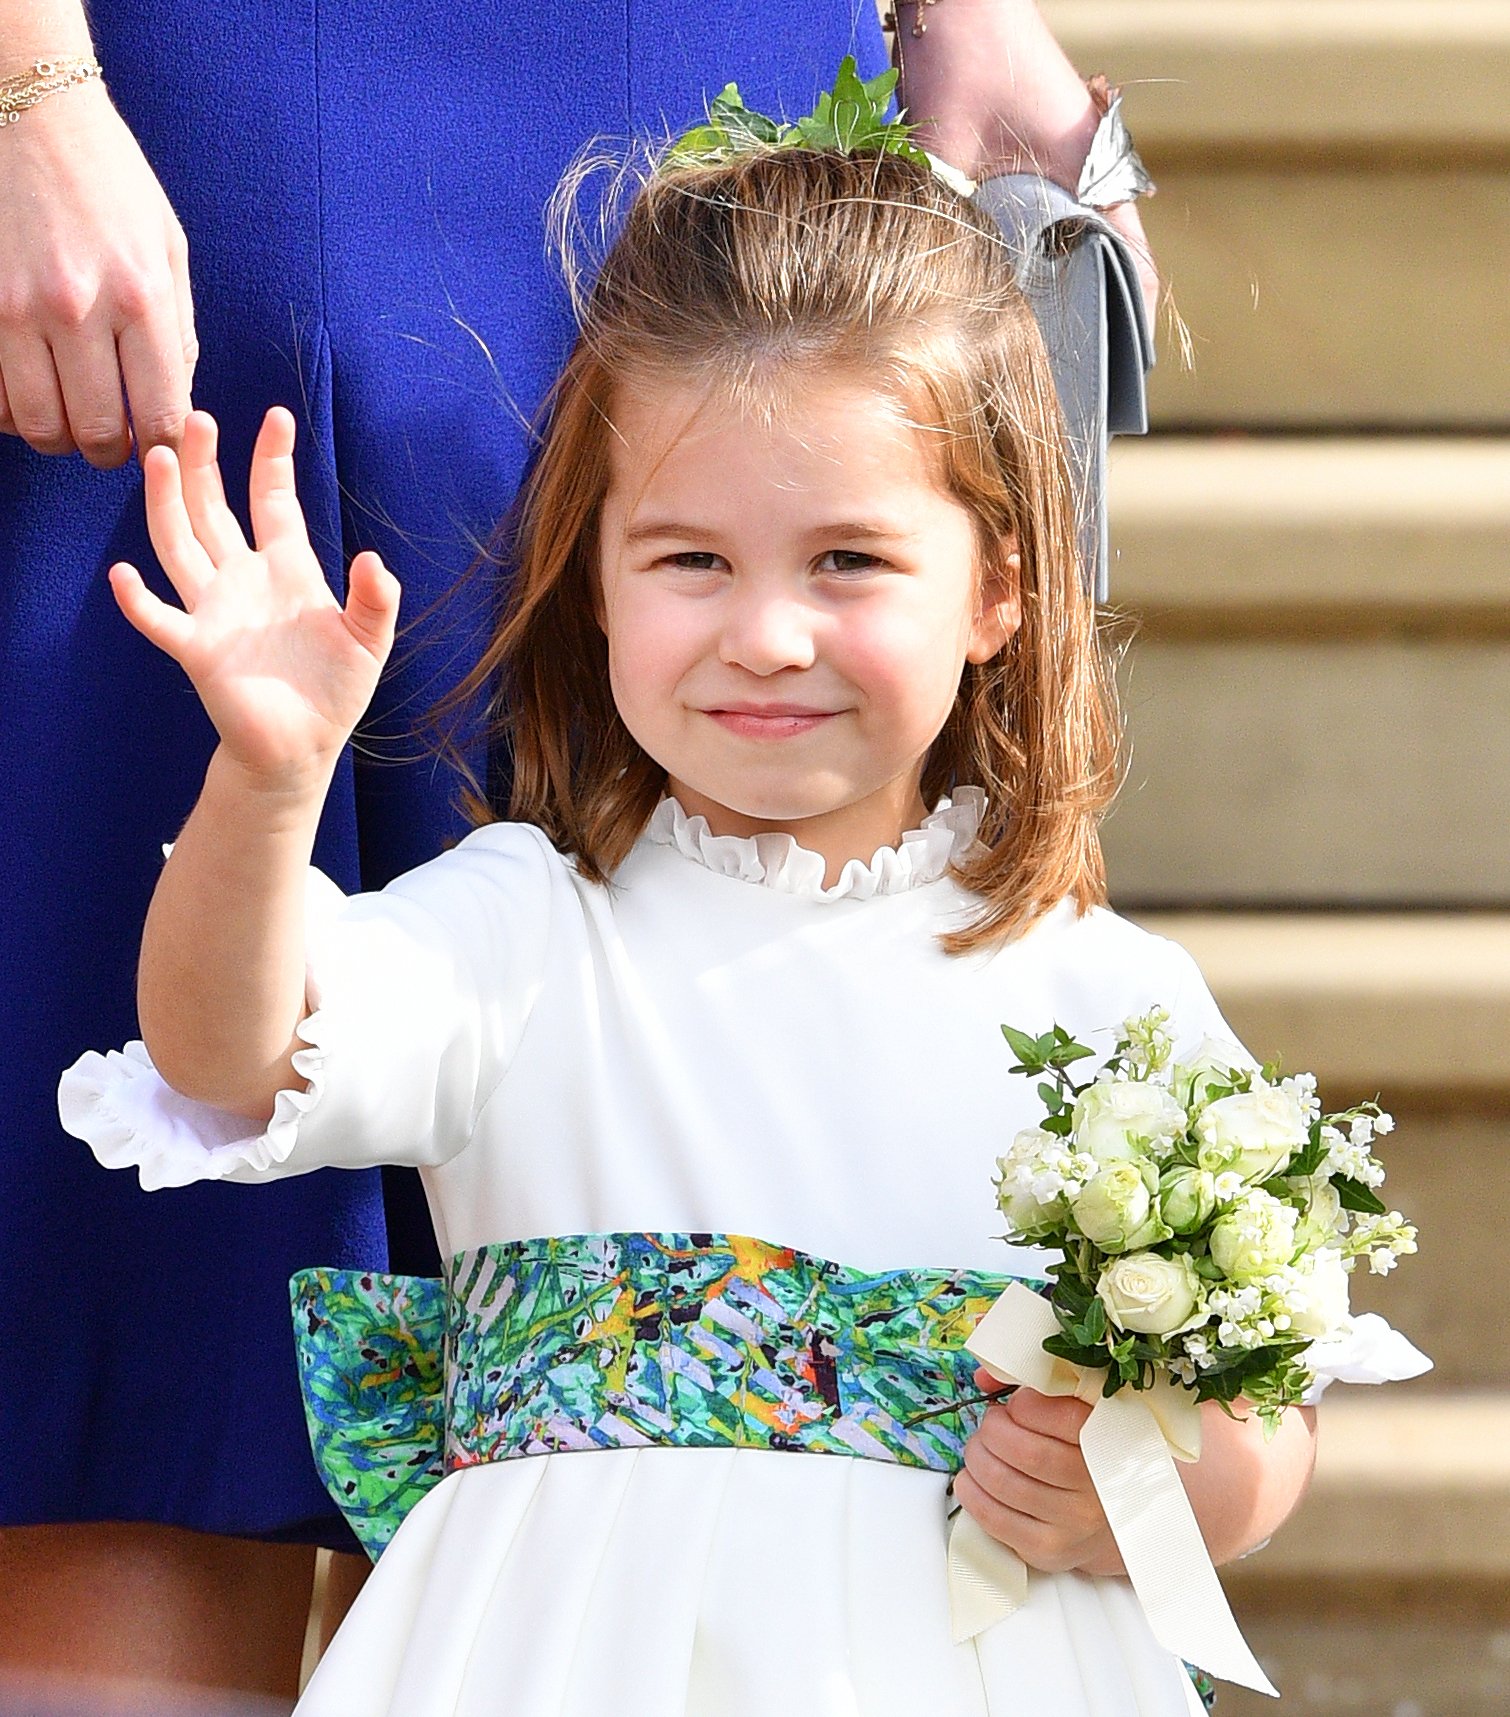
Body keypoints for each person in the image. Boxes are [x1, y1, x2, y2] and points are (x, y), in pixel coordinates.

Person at [54, 124, 1338, 1716]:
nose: (769, 632)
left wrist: (1173, 1489)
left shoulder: (1107, 1000)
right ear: (594, 581)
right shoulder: (528, 926)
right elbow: (227, 1050)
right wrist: (266, 780)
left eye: (852, 560)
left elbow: (1261, 1408)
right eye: (692, 559)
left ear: (997, 587)